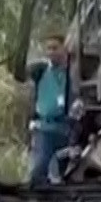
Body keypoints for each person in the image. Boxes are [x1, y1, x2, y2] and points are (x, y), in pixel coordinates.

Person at [26, 33, 73, 187]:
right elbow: (21, 72)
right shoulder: (40, 70)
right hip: (44, 128)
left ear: (64, 48)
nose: (51, 52)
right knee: (39, 167)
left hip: (66, 129)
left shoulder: (73, 73)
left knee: (65, 174)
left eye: (55, 48)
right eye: (48, 49)